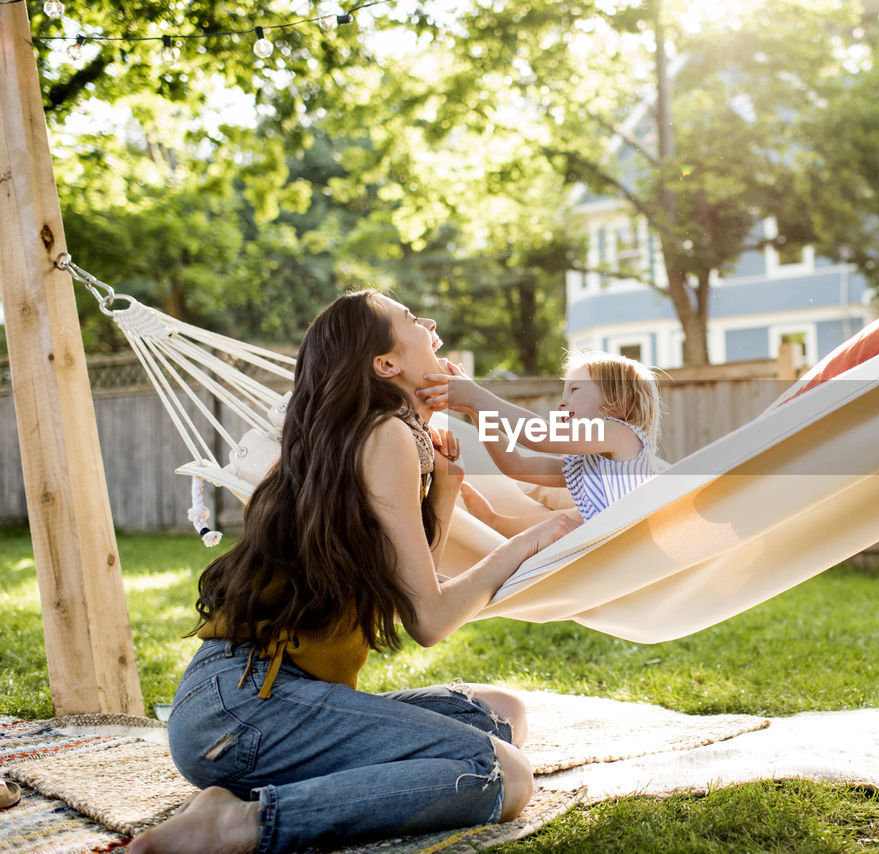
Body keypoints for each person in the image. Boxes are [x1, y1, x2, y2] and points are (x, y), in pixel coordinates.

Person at [128, 290, 580, 854]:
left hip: (244, 703)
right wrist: (531, 541)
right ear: (386, 365)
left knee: (501, 715)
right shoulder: (383, 434)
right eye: (413, 319)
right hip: (243, 710)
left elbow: (417, 586)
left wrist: (444, 490)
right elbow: (430, 621)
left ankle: (264, 790)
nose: (431, 323)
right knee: (501, 775)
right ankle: (238, 825)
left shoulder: (376, 437)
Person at [420, 351, 662, 537]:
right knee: (571, 521)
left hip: (632, 550)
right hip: (603, 550)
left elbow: (542, 437)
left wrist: (477, 397)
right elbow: (516, 465)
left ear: (619, 400)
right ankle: (497, 523)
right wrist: (478, 411)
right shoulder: (587, 465)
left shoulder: (622, 435)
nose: (561, 403)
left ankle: (498, 524)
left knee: (575, 520)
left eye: (574, 390)